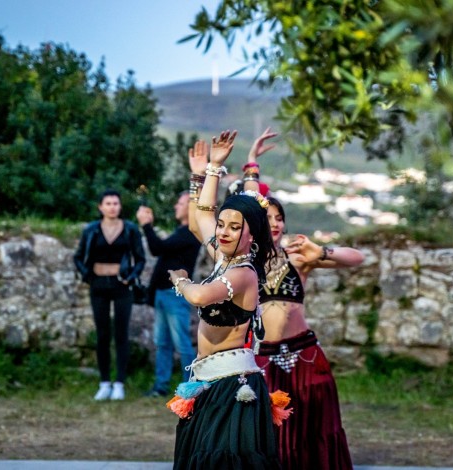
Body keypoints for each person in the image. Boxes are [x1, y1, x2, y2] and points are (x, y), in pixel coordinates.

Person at [166, 131, 289, 469]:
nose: (222, 231)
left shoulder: (244, 273)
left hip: (232, 388)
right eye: (222, 225)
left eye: (234, 227)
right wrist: (210, 169)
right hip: (209, 382)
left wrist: (180, 280)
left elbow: (199, 295)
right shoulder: (224, 259)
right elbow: (200, 217)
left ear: (251, 234)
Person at [243, 128, 364, 469]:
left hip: (305, 356)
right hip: (264, 358)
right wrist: (252, 163)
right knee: (274, 436)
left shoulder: (298, 255)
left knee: (313, 433)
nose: (277, 224)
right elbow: (249, 199)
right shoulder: (247, 261)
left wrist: (320, 250)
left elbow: (357, 258)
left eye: (281, 218)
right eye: (269, 219)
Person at [73, 189, 146, 401]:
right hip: (98, 285)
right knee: (102, 334)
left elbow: (140, 259)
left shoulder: (130, 230)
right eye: (108, 203)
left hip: (121, 285)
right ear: (100, 207)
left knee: (121, 334)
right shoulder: (91, 230)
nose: (112, 207)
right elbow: (78, 257)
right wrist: (87, 275)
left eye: (116, 203)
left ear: (120, 206)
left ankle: (120, 383)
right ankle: (104, 382)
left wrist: (131, 277)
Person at [136, 192, 200, 397]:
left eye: (180, 203)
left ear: (191, 208)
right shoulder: (181, 231)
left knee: (181, 343)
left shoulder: (190, 233)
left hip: (174, 295)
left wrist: (146, 224)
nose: (175, 206)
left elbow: (157, 248)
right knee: (163, 342)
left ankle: (190, 387)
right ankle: (161, 385)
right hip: (164, 293)